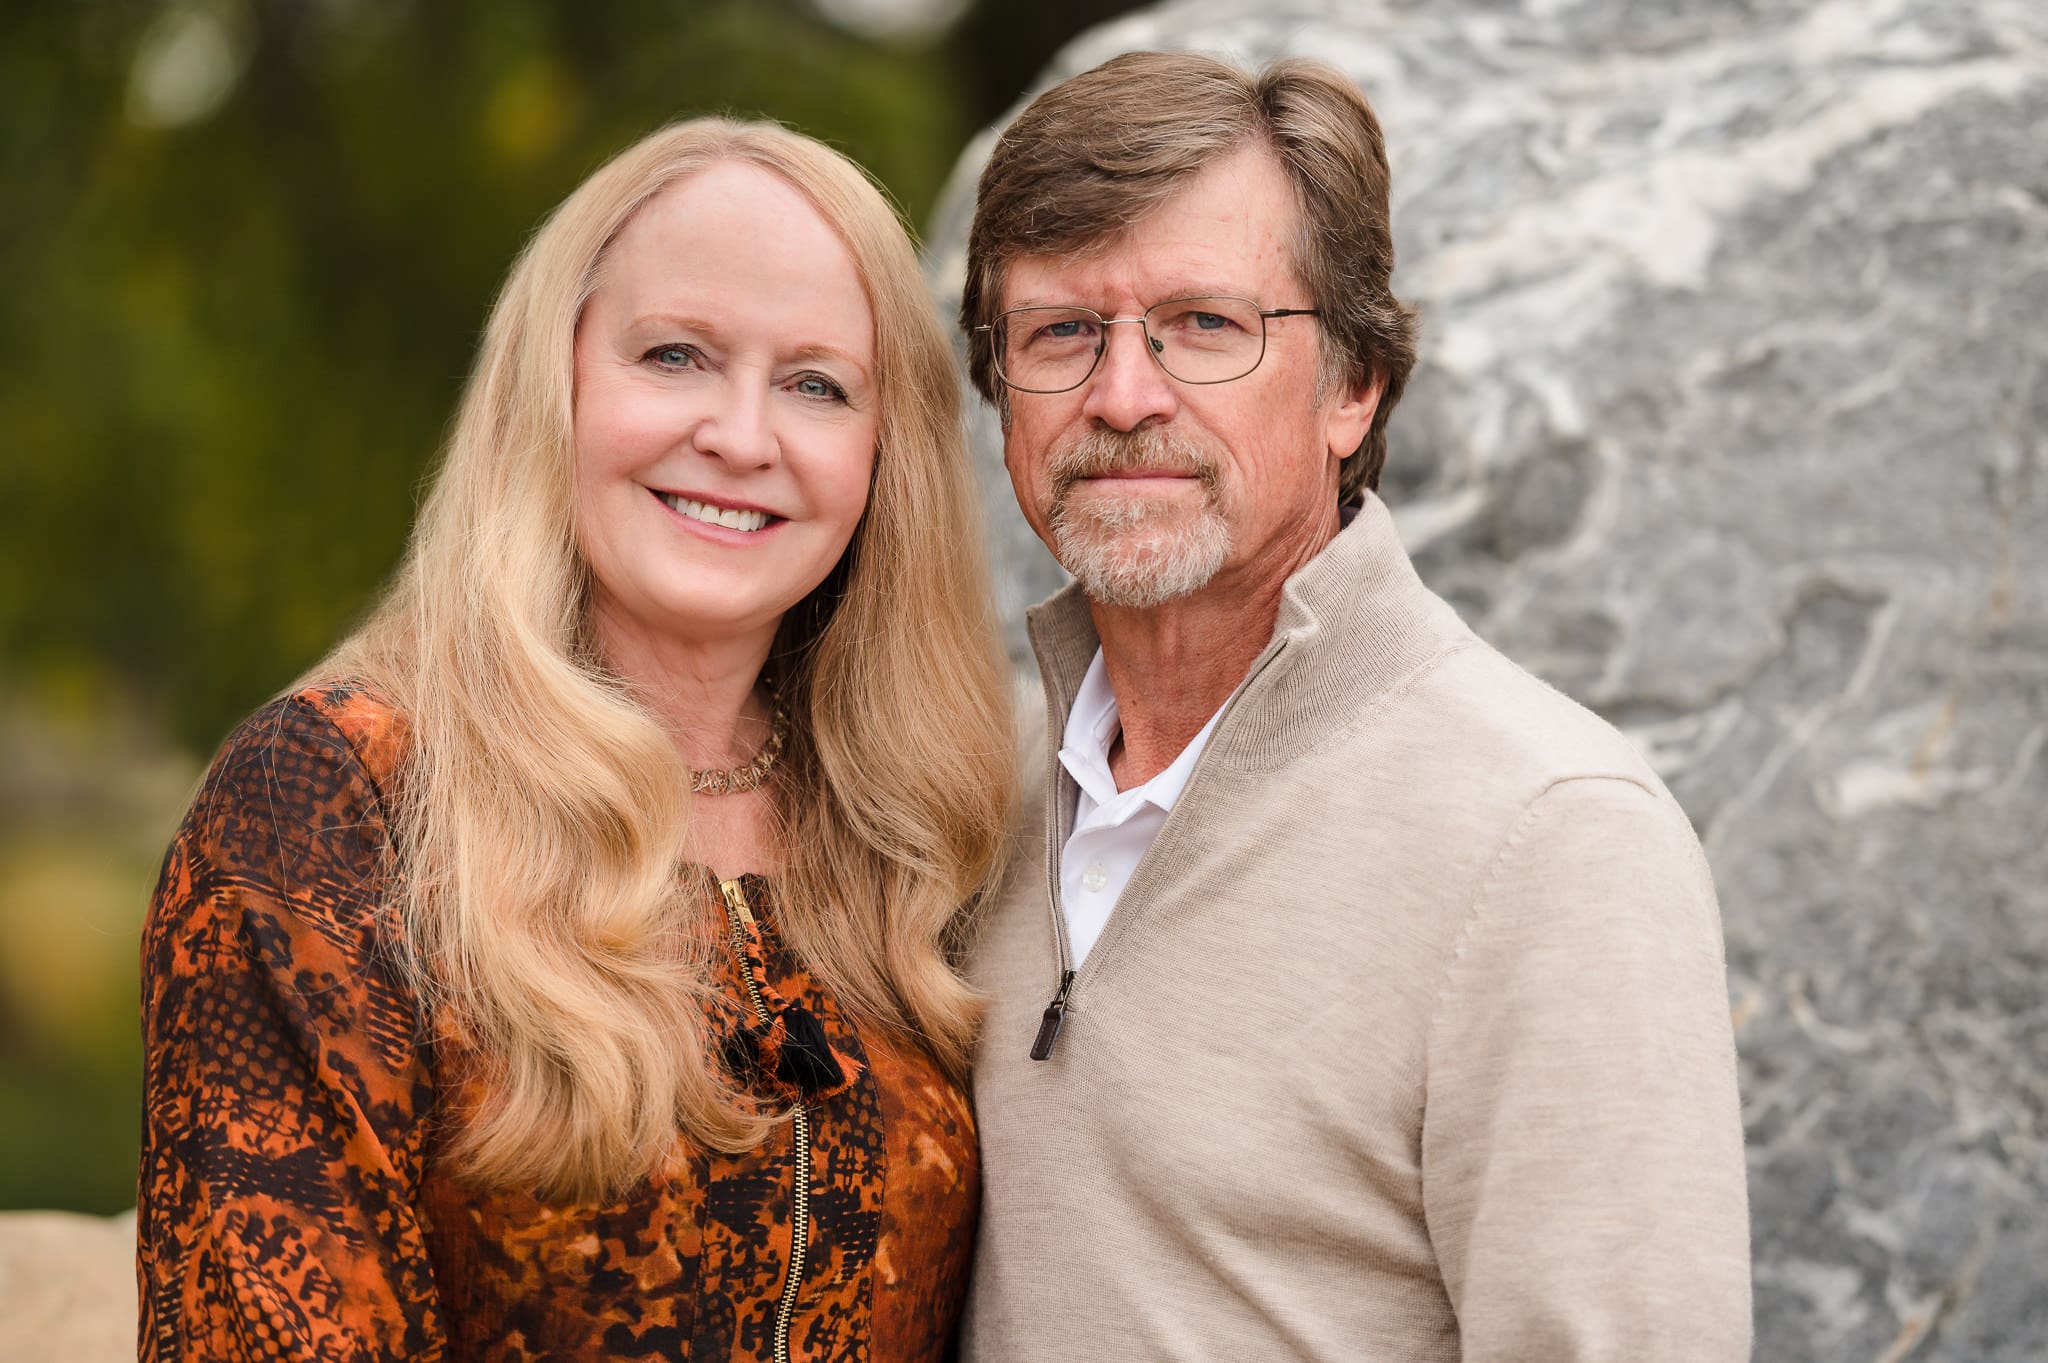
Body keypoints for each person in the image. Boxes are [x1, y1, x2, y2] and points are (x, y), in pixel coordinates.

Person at [138, 117, 1014, 1362]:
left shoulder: (917, 829)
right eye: (675, 355)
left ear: (885, 458)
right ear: (554, 382)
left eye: (816, 384)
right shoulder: (337, 798)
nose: (742, 436)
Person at [956, 50, 1751, 1361]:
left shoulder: (1552, 836)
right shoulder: (968, 787)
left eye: (1205, 324)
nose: (1123, 394)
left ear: (1353, 387)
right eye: (1060, 332)